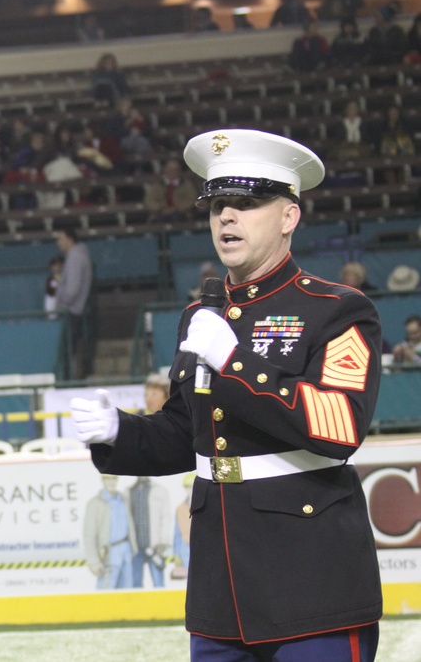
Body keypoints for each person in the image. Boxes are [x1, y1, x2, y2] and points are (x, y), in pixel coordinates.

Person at [70, 129, 383, 660]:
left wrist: (234, 364)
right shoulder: (201, 315)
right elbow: (186, 435)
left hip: (313, 583)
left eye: (247, 203)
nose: (226, 217)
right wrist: (120, 430)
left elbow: (339, 427)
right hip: (220, 591)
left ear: (289, 217)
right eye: (218, 205)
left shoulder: (337, 309)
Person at [54, 226, 95, 379]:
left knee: (67, 351)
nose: (58, 243)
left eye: (60, 239)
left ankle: (67, 380)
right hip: (74, 310)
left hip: (71, 311)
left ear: (69, 239)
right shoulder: (76, 256)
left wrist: (61, 300)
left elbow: (72, 290)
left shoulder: (75, 257)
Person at [83, 474, 136, 590]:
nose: (111, 482)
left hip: (126, 554)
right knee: (105, 594)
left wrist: (133, 549)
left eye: (114, 478)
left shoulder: (123, 499)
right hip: (108, 556)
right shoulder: (95, 503)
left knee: (128, 595)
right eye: (108, 479)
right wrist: (94, 561)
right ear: (103, 480)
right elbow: (89, 535)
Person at [129, 476, 171, 588]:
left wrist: (163, 542)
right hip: (136, 549)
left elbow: (166, 517)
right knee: (135, 586)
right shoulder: (130, 491)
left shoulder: (159, 490)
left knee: (159, 585)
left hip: (154, 548)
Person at [145, 159, 199, 224]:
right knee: (158, 220)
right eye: (170, 170)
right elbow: (150, 200)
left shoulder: (187, 185)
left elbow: (191, 199)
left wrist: (176, 208)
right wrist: (161, 207)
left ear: (179, 171)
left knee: (178, 219)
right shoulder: (156, 185)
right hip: (160, 213)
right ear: (165, 171)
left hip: (181, 213)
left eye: (175, 170)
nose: (173, 172)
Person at [44, 255, 64, 319]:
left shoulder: (68, 278)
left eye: (60, 264)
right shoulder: (50, 279)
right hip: (54, 305)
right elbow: (51, 292)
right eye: (55, 264)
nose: (58, 267)